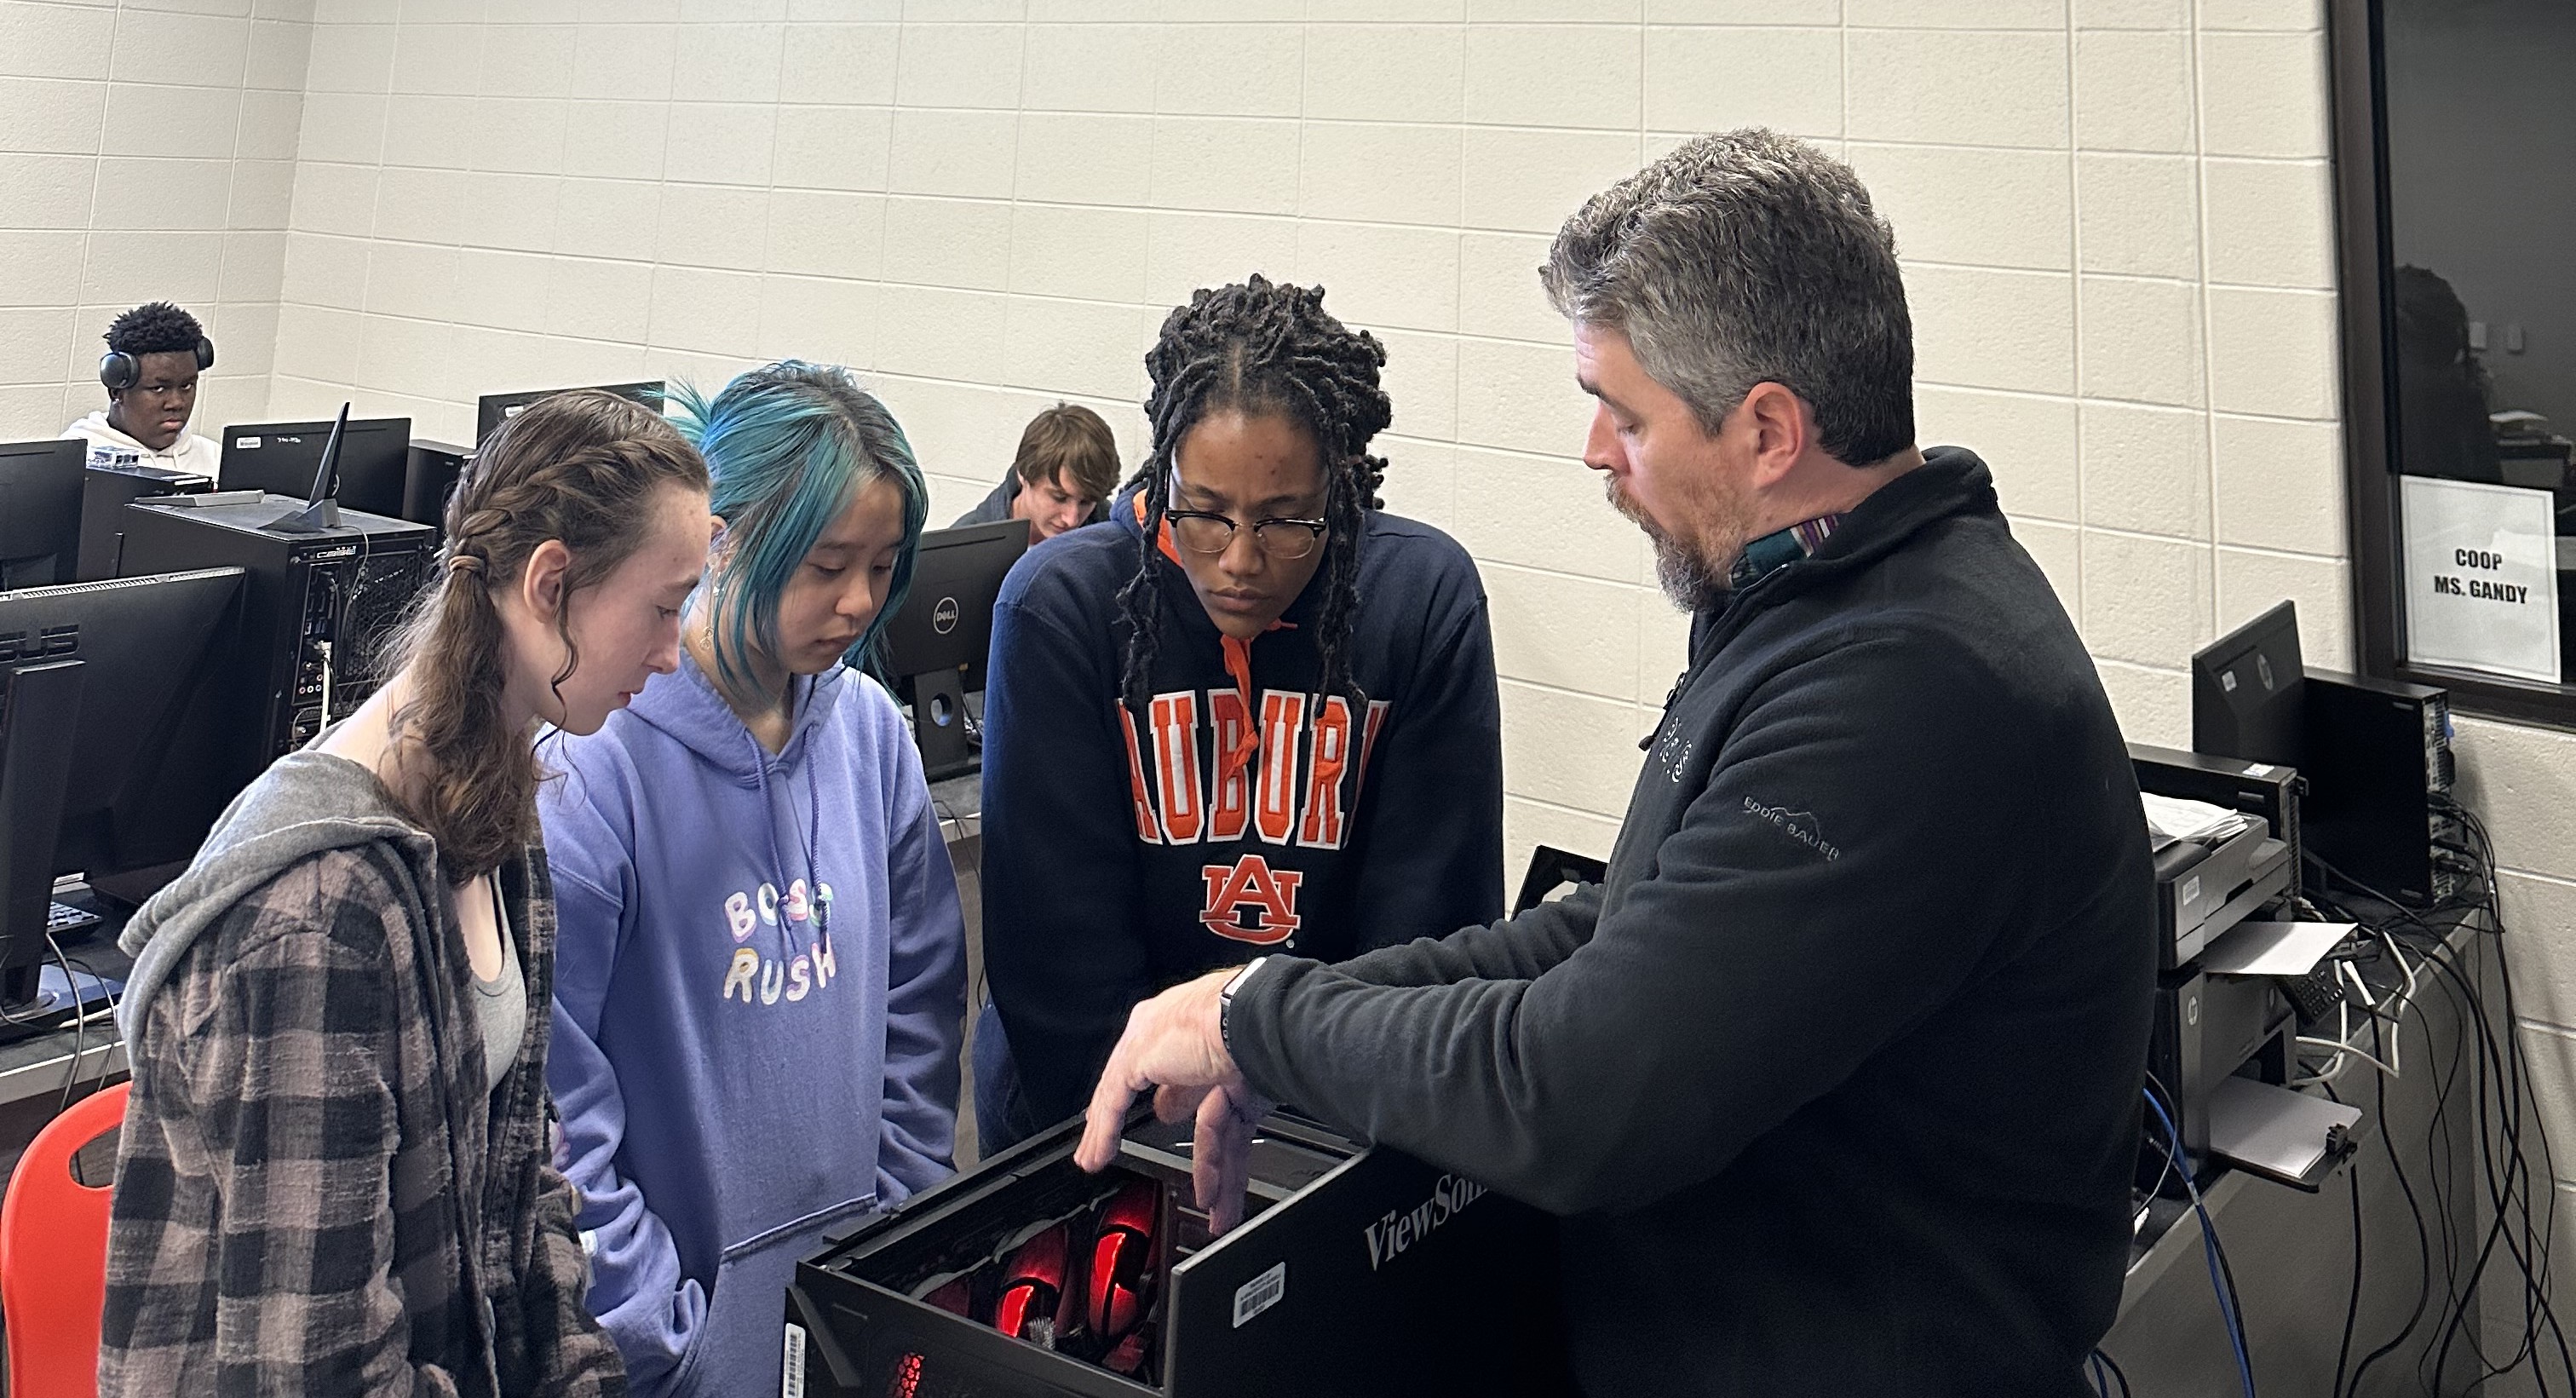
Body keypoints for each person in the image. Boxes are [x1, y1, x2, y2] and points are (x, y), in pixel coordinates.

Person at [1075, 130, 2159, 1397]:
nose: (1597, 449)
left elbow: (1583, 1090)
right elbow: (1625, 930)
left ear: (1767, 430)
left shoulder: (1908, 688)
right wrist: (1274, 1009)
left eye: (1626, 412)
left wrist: (1267, 1019)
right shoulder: (1828, 603)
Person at [100, 390, 714, 1395]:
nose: (672, 650)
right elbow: (318, 1374)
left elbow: (525, 1192)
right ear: (551, 584)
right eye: (662, 605)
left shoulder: (496, 812)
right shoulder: (315, 920)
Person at [974, 275, 1506, 1153]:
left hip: (1328, 1120)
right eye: (1206, 516)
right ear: (1163, 477)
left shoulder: (1421, 601)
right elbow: (1058, 966)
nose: (1240, 561)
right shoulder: (1061, 607)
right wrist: (1162, 1155)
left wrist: (1301, 1161)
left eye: (1286, 520)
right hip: (1089, 1119)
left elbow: (1425, 941)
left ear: (1339, 488)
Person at [539, 361, 967, 1398]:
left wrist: (899, 1251)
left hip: (854, 1321)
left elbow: (920, 1015)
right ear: (721, 542)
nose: (860, 603)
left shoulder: (870, 735)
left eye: (883, 566)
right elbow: (558, 1106)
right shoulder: (595, 761)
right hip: (669, 1354)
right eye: (826, 565)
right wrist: (661, 1336)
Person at [62, 300, 223, 476]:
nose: (177, 403)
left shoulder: (215, 460)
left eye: (186, 386)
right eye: (158, 388)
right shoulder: (73, 461)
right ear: (116, 391)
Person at [950, 400, 1120, 544]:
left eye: (1086, 503)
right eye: (1059, 498)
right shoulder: (962, 547)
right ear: (1023, 475)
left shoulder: (1113, 539)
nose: (1072, 519)